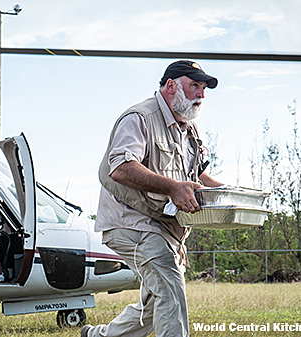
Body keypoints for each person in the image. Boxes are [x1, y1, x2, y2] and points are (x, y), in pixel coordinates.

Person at [82, 60, 223, 337]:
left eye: (204, 88)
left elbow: (195, 176)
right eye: (194, 85)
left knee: (155, 303)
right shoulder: (139, 117)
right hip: (131, 223)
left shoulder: (188, 130)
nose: (201, 95)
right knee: (169, 286)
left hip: (164, 227)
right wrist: (172, 188)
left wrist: (228, 193)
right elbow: (121, 168)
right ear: (171, 86)